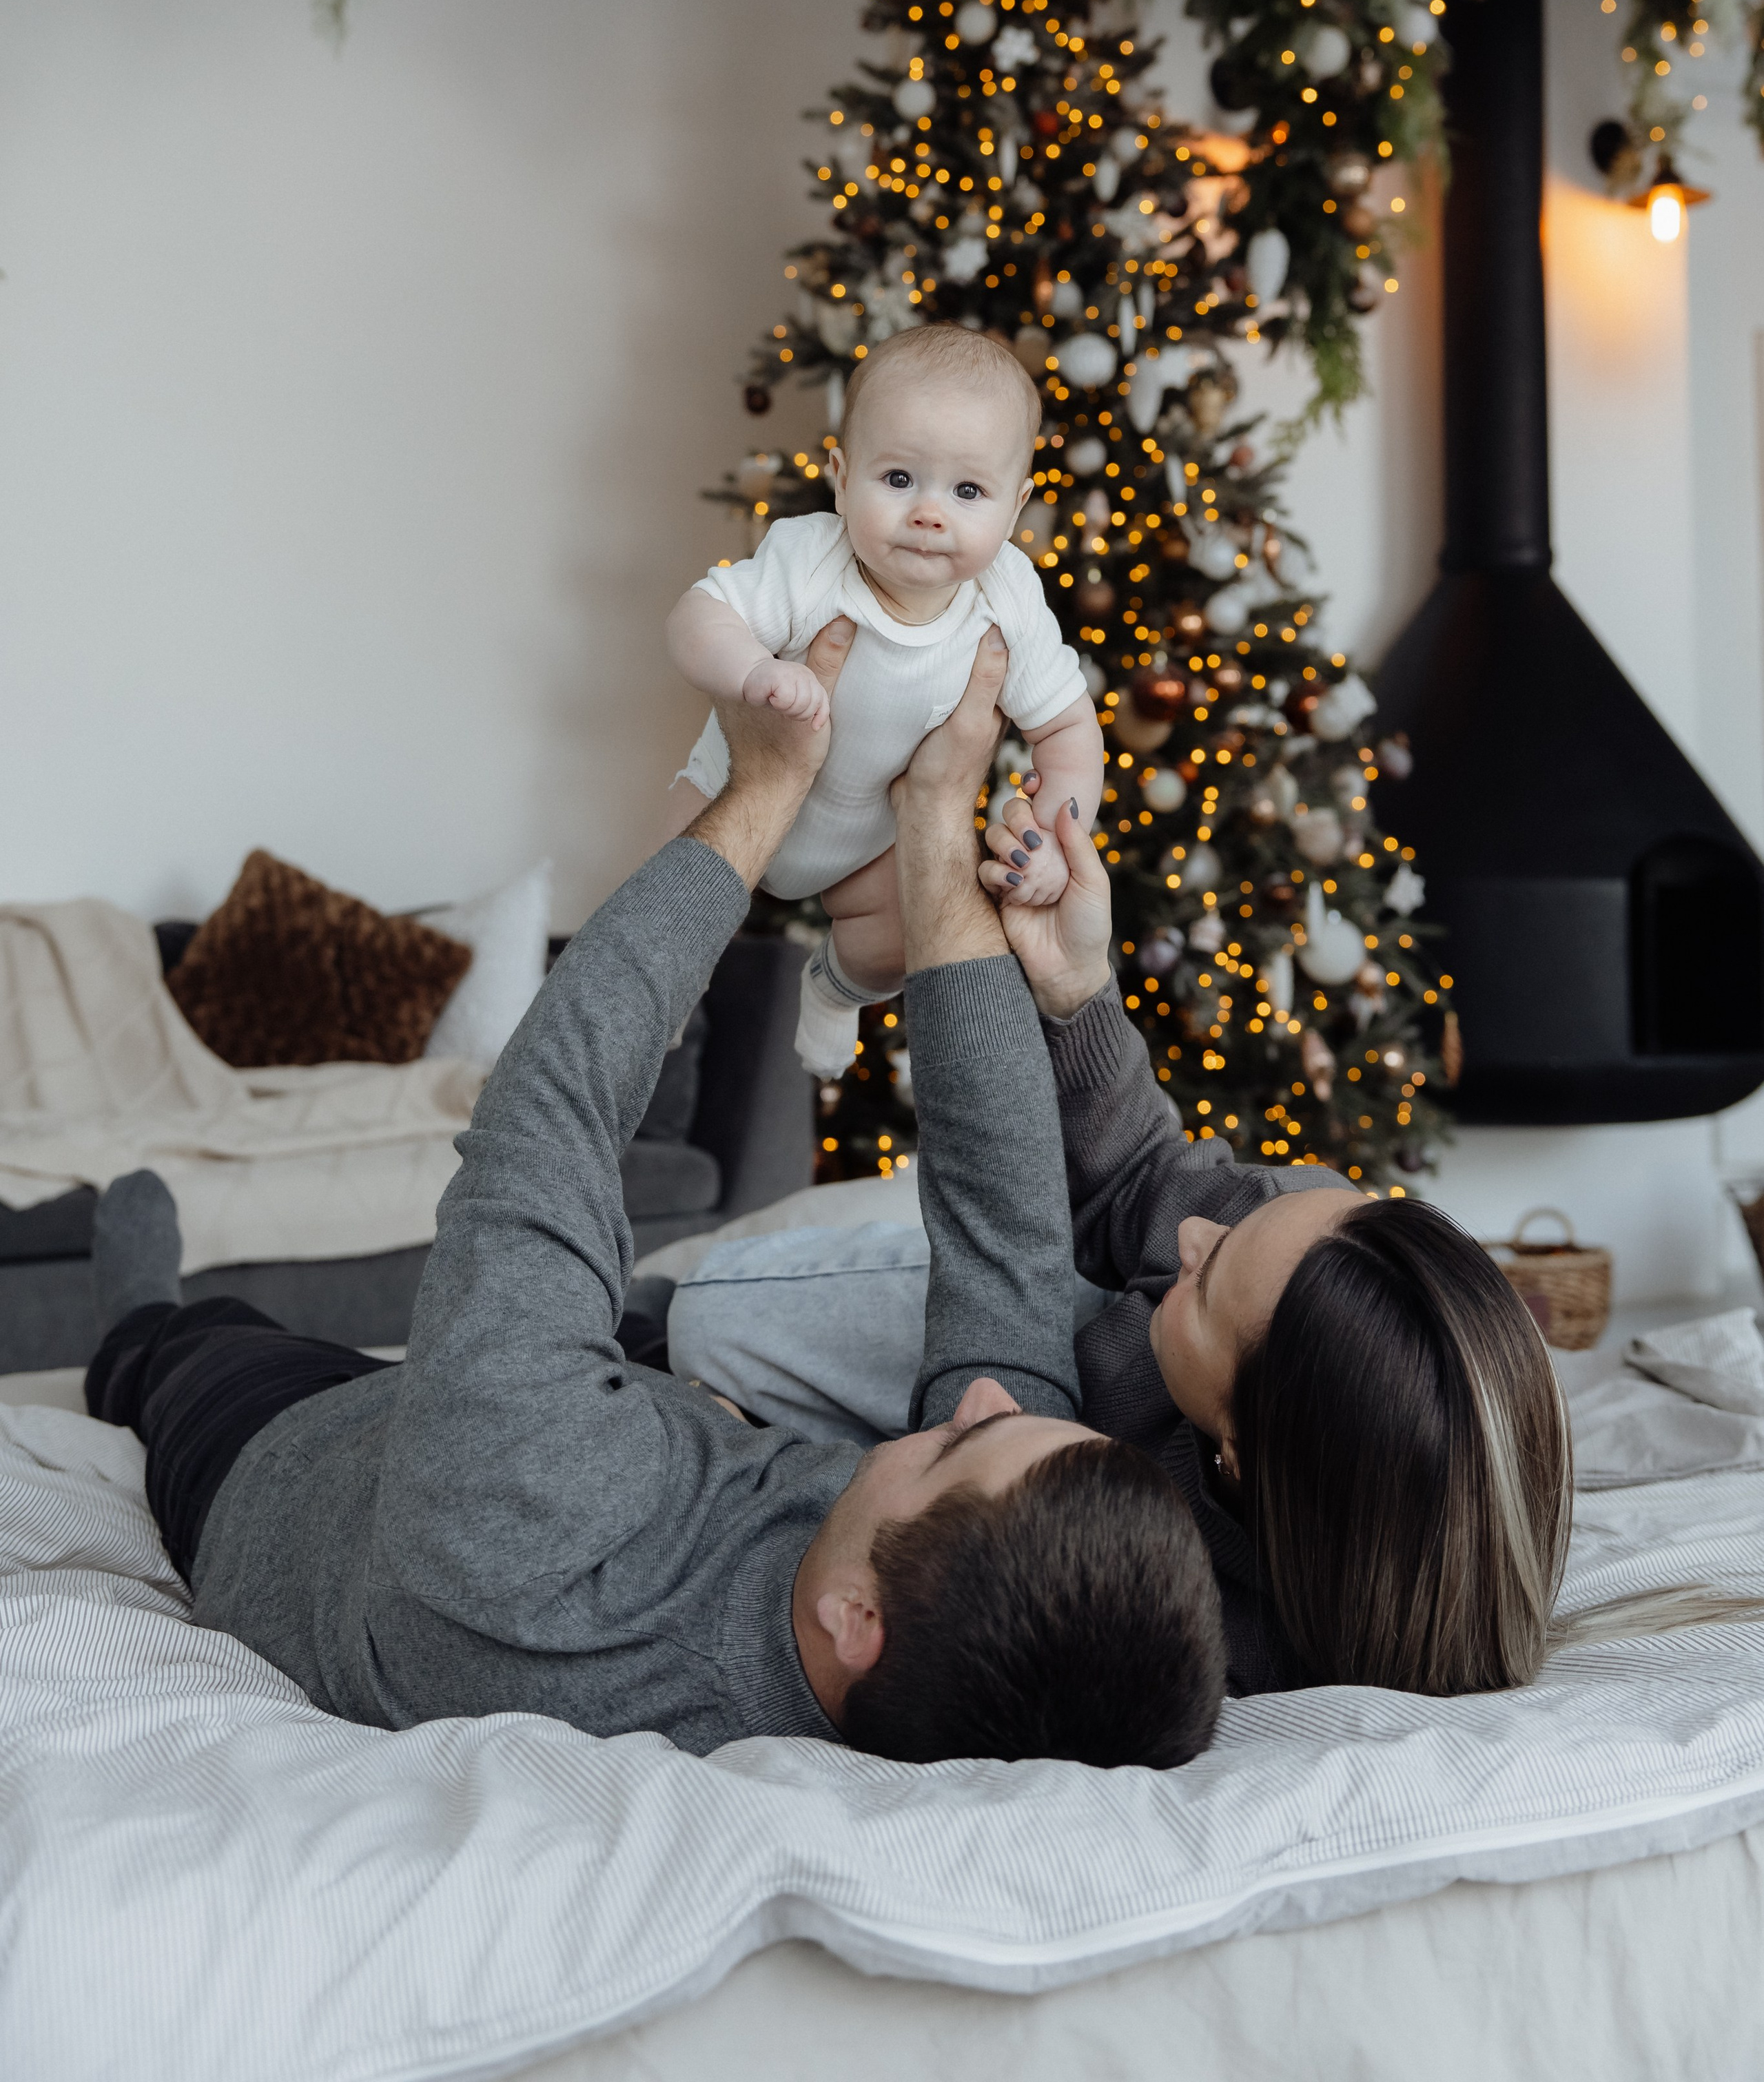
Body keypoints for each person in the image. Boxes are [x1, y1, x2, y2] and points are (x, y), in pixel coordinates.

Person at [85, 624, 1225, 1771]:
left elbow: (554, 1108)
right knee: (502, 1360)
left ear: (858, 1623)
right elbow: (1005, 1234)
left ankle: (135, 1313)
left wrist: (761, 792)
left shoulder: (544, 1510)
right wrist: (937, 814)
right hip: (533, 1426)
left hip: (291, 1467)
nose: (978, 1400)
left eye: (950, 1449)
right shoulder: (955, 1636)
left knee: (181, 1348)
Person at [668, 767, 1580, 1701]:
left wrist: (815, 1479)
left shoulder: (1211, 1624)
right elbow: (1144, 1186)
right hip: (1057, 1322)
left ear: (1234, 1455)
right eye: (1238, 1226)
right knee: (706, 1318)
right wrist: (1074, 984)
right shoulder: (1311, 1248)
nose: (1191, 1234)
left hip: (1061, 1457)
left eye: (1208, 1280)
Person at [663, 327, 1105, 1075]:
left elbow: (1067, 728)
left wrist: (1053, 846)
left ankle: (835, 993)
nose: (930, 512)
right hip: (729, 791)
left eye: (967, 491)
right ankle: (665, 998)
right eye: (898, 479)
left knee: (901, 934)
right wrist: (748, 672)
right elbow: (696, 617)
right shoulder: (809, 559)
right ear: (841, 477)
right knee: (667, 896)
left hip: (870, 839)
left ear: (1017, 504)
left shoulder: (1008, 602)